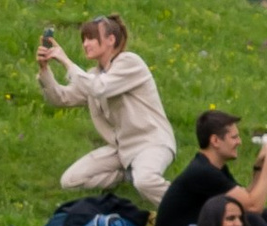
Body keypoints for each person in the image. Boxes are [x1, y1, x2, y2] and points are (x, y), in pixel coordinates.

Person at [35, 15, 174, 208]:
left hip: (151, 143)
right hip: (121, 148)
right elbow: (62, 98)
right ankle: (127, 175)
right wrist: (44, 70)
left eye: (91, 38)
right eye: (84, 39)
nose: (86, 44)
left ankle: (189, 209)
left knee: (145, 180)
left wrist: (66, 61)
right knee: (70, 181)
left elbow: (100, 88)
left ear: (111, 40)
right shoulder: (93, 75)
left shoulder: (130, 62)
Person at [153, 110, 267, 226]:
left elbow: (244, 200)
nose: (239, 142)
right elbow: (253, 207)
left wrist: (259, 168)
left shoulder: (212, 168)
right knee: (251, 220)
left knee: (266, 215)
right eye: (234, 137)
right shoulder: (203, 172)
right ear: (215, 141)